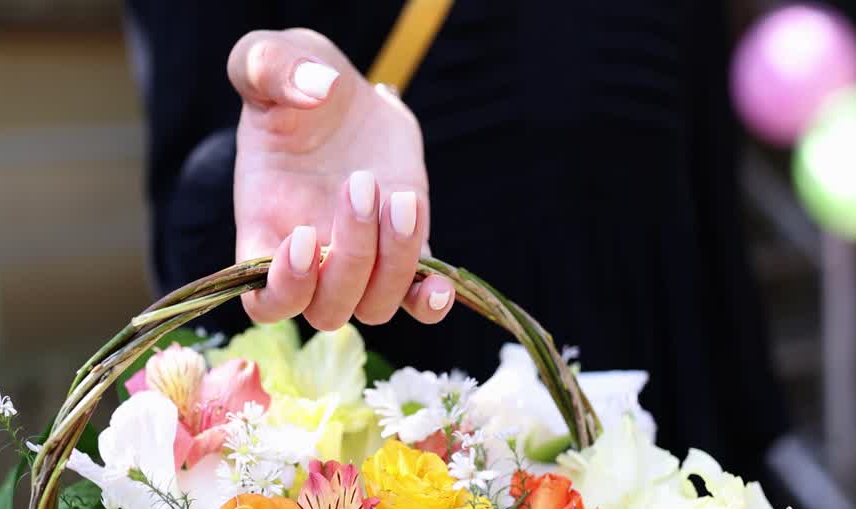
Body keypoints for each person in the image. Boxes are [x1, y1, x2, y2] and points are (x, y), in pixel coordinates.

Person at [125, 1, 789, 483]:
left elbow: (709, 207)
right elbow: (205, 245)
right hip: (403, 491)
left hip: (655, 431)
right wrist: (296, 164)